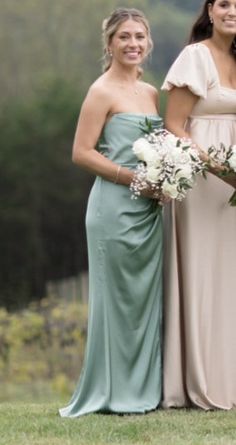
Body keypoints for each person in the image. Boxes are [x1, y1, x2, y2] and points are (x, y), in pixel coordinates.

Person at [59, 8, 163, 418]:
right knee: (115, 303)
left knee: (143, 302)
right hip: (113, 211)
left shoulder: (152, 93)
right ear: (110, 44)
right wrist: (132, 179)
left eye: (139, 36)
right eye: (124, 37)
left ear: (148, 42)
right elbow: (81, 153)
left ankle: (144, 390)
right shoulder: (100, 91)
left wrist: (167, 179)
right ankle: (109, 391)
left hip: (149, 213)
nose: (133, 43)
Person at [161, 0, 236, 410]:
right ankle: (200, 382)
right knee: (205, 275)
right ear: (210, 11)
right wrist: (218, 167)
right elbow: (174, 124)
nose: (233, 10)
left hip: (235, 190)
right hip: (202, 181)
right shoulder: (195, 56)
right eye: (225, 2)